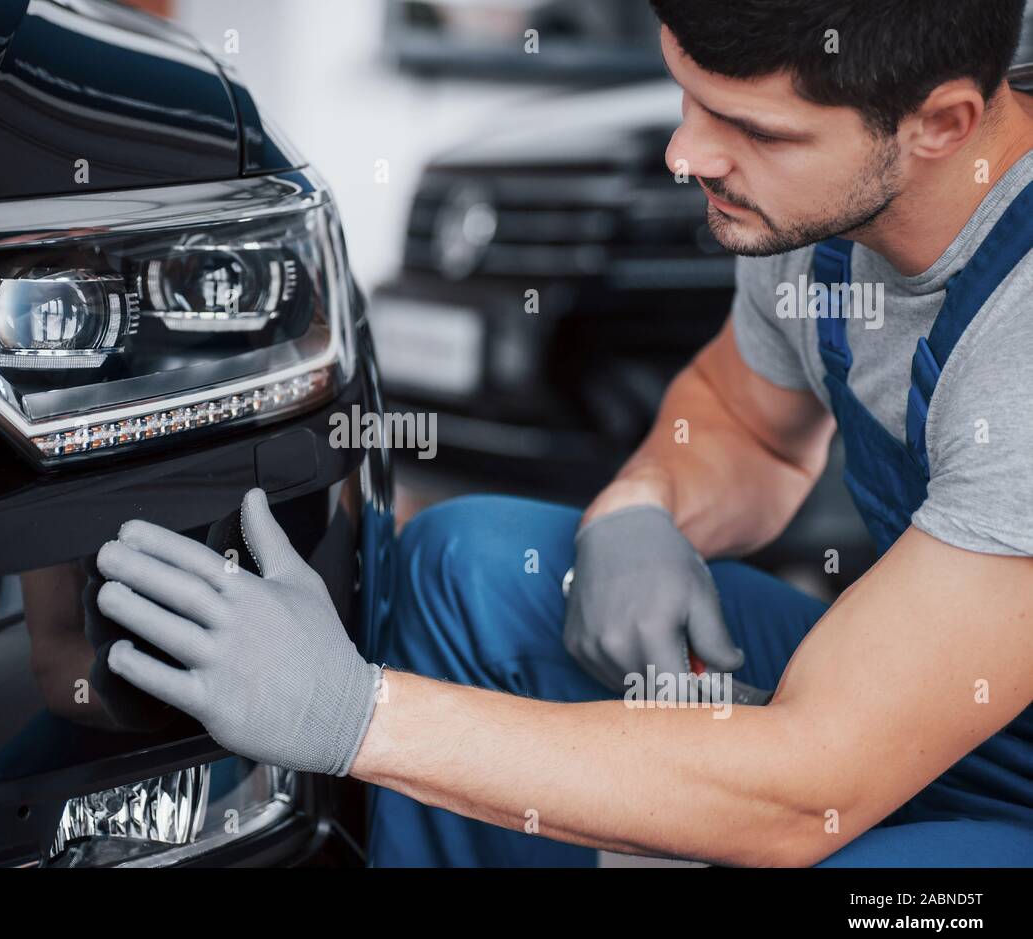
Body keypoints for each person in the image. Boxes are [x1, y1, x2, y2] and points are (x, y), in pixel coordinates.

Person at [91, 0, 1033, 867]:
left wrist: (354, 717)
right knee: (469, 567)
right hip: (927, 704)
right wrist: (639, 507)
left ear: (941, 126)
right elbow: (750, 421)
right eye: (691, 97)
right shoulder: (836, 219)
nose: (685, 153)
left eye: (752, 131)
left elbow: (806, 792)